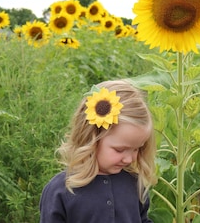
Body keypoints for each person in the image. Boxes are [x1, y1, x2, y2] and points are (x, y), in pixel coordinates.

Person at [39, 79, 157, 223]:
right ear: (91, 138)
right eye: (120, 150)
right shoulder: (61, 191)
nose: (129, 159)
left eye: (137, 149)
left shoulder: (134, 183)